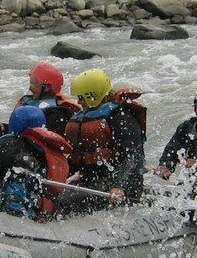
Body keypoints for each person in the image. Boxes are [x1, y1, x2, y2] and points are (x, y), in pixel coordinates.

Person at [56, 68, 147, 216]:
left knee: (64, 201)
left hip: (122, 184)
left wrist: (119, 186)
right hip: (92, 180)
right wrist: (55, 177)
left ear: (93, 96)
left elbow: (132, 157)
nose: (79, 102)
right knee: (52, 197)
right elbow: (77, 158)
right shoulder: (84, 118)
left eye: (81, 97)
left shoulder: (122, 118)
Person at [13, 62, 81, 135]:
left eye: (33, 84)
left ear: (47, 87)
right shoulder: (27, 102)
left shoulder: (57, 115)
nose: (30, 88)